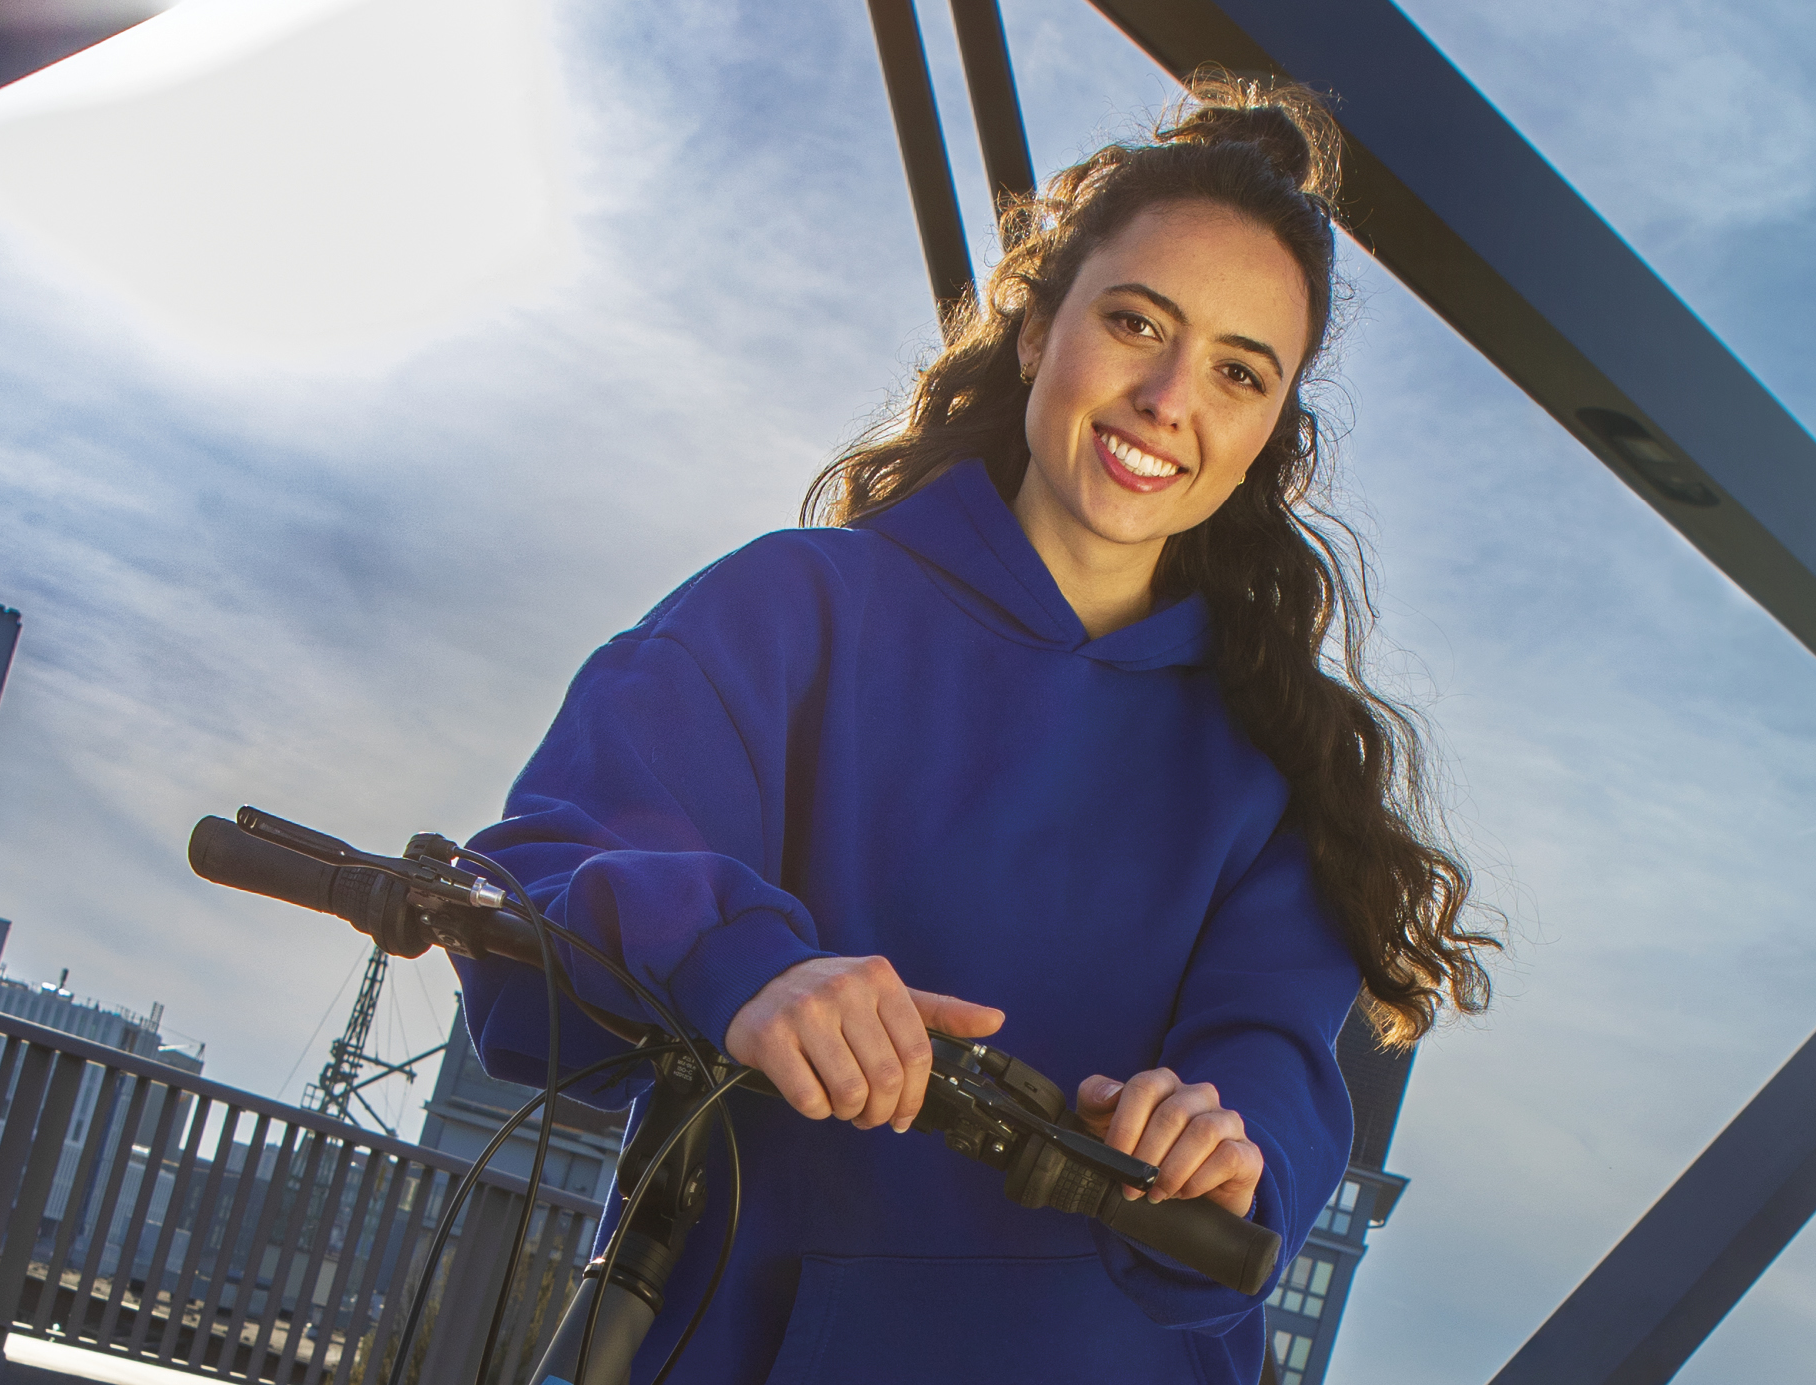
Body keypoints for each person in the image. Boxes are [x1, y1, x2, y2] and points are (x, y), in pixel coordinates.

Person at [454, 71, 1497, 1385]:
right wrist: (742, 962)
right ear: (1037, 333)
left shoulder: (1281, 774)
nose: (1172, 397)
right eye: (1137, 322)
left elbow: (1274, 1070)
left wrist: (1226, 1146)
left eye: (1239, 371)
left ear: (1265, 437)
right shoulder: (796, 614)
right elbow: (525, 896)